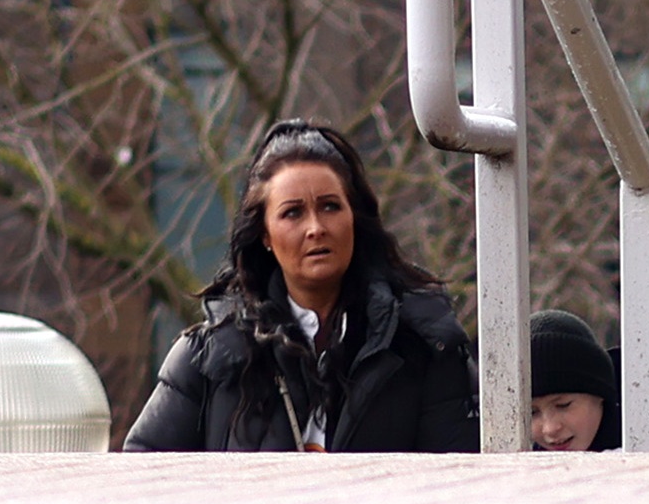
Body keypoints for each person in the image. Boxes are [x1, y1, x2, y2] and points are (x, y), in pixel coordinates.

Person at [125, 121, 477, 452]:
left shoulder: (425, 344)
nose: (315, 228)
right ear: (264, 234)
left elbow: (463, 480)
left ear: (354, 216)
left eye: (330, 206)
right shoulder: (211, 355)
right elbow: (145, 476)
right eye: (293, 213)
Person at [527, 307, 649, 451]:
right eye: (532, 413)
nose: (550, 428)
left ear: (600, 394)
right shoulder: (521, 462)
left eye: (563, 405)